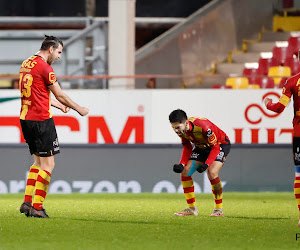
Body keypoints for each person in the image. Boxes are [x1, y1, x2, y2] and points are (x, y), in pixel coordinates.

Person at [19, 35, 89, 218]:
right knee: (48, 165)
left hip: (26, 119)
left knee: (37, 163)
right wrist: (79, 109)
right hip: (42, 121)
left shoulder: (26, 63)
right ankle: (37, 207)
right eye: (59, 52)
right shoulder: (45, 68)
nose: (59, 56)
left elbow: (36, 93)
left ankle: (27, 203)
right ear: (50, 49)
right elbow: (61, 95)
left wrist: (57, 106)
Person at [169, 109, 231, 216]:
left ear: (186, 123)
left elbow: (215, 148)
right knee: (185, 172)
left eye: (178, 127)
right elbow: (187, 147)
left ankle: (218, 210)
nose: (176, 131)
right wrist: (182, 164)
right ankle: (192, 209)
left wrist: (206, 164)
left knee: (211, 172)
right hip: (201, 146)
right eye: (173, 128)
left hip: (220, 144)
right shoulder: (182, 130)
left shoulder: (204, 127)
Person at [264, 50, 300, 226]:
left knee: (299, 175)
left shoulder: (292, 81)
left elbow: (279, 108)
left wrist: (267, 103)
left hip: (299, 134)